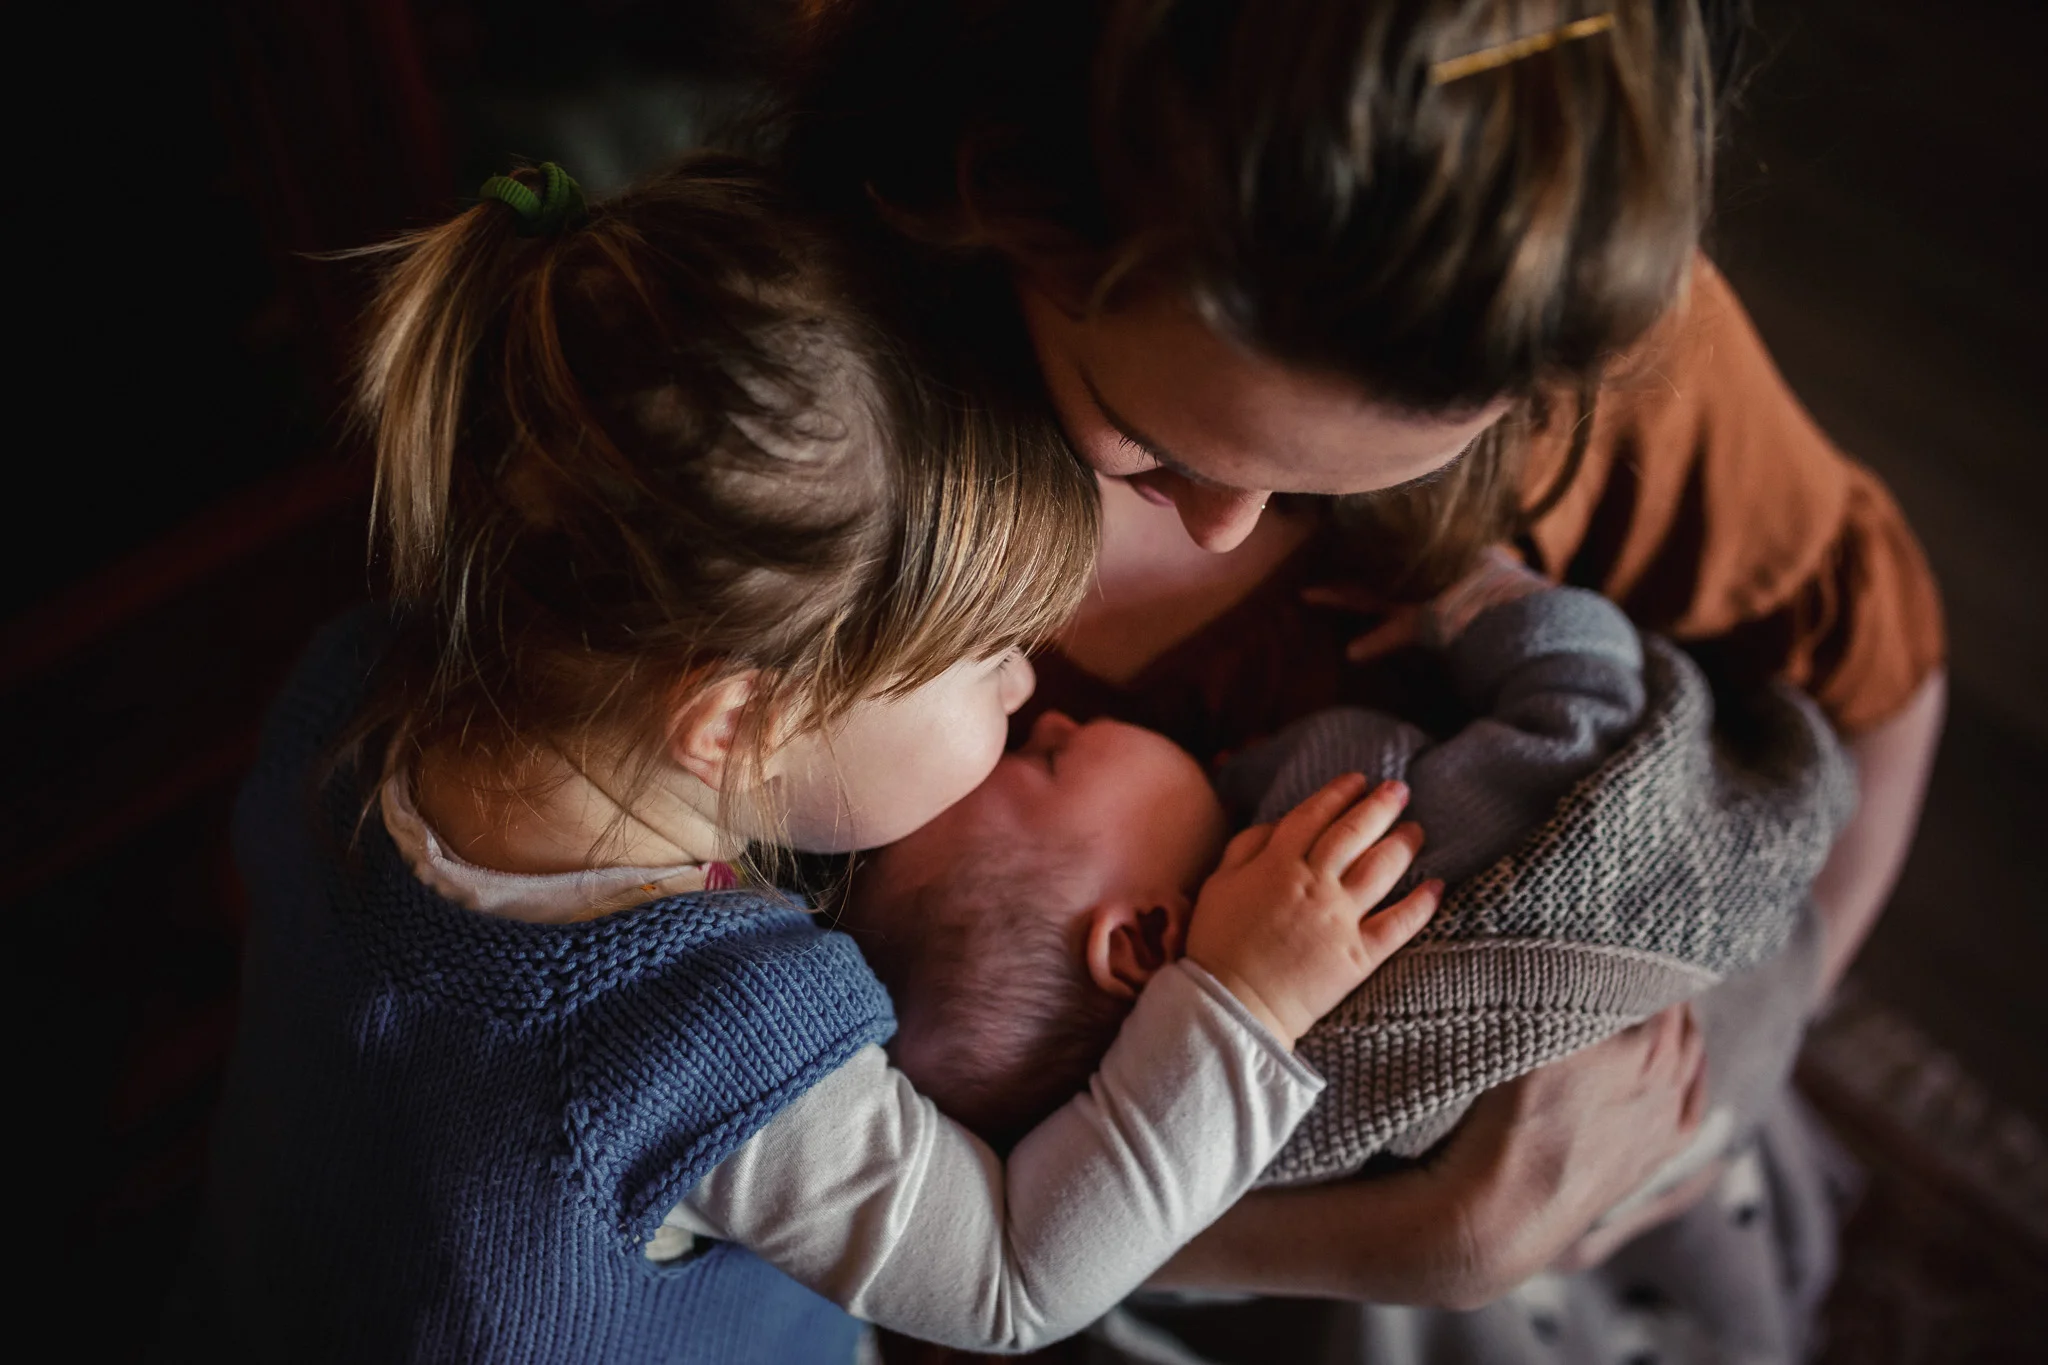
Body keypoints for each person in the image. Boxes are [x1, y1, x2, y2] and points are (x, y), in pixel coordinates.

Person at [774, 0, 1945, 1354]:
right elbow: (830, 1173)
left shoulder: (1581, 324)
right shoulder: (800, 459)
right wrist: (1405, 1240)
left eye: (1342, 480)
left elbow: (1873, 686)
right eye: (1151, 441)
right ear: (999, 198)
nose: (1224, 524)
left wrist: (1738, 1048)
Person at [159, 157, 1452, 1362]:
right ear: (739, 721)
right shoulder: (713, 1038)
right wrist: (1240, 1007)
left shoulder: (355, 680)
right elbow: (1008, 1277)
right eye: (995, 651)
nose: (1026, 685)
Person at [841, 547, 1845, 1188]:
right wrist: (1476, 598)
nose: (1047, 715)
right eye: (1044, 762)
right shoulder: (1352, 834)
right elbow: (1586, 714)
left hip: (1671, 1116)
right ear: (1141, 938)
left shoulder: (1218, 1133)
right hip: (1718, 1003)